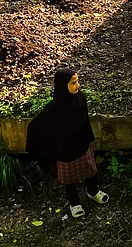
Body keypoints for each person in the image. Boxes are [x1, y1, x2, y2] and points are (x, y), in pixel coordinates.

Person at [26, 67, 110, 218]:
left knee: (90, 171)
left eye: (77, 82)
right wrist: (53, 145)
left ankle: (93, 192)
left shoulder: (80, 99)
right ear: (62, 85)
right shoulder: (54, 108)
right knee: (69, 179)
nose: (77, 86)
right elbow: (36, 126)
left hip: (82, 144)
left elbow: (84, 121)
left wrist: (87, 137)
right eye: (73, 83)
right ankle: (74, 203)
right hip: (65, 150)